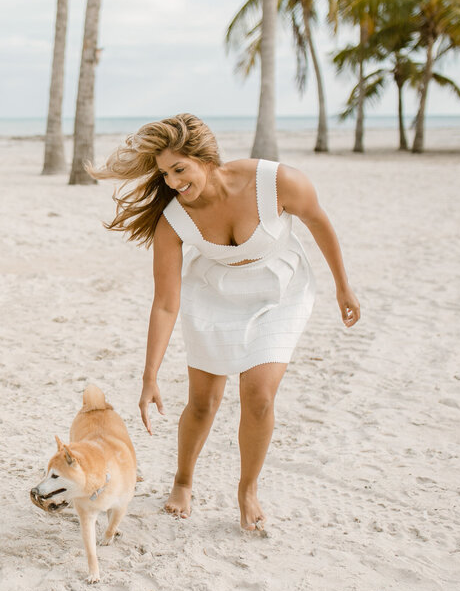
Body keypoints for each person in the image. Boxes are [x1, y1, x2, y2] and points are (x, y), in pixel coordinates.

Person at [94, 114, 360, 531]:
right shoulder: (173, 220)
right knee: (203, 403)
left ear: (207, 159)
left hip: (279, 292)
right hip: (213, 297)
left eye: (180, 169)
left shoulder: (278, 182)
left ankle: (247, 489)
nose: (173, 182)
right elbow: (165, 303)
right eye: (164, 174)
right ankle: (183, 480)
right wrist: (150, 375)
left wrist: (344, 287)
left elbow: (319, 222)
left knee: (259, 396)